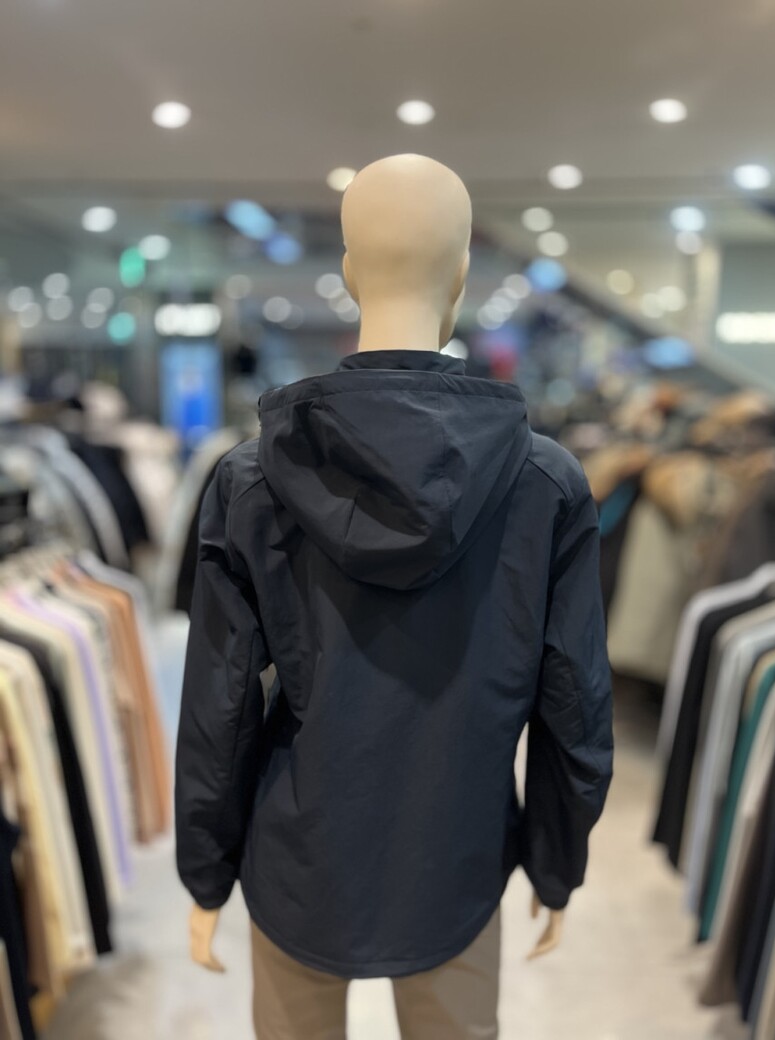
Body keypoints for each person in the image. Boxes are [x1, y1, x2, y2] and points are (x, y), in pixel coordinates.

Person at [175, 154, 613, 1040]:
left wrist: (206, 872)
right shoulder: (545, 483)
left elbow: (218, 703)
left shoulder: (252, 478)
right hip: (458, 854)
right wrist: (556, 860)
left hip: (298, 854)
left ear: (347, 275)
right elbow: (574, 701)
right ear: (462, 275)